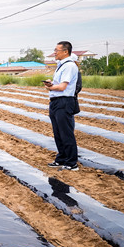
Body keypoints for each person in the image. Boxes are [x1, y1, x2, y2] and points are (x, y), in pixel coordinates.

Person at [44, 41, 79, 171]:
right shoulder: (61, 65)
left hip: (64, 101)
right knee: (58, 133)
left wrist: (51, 87)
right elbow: (60, 84)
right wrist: (51, 84)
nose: (55, 52)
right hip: (56, 101)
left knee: (66, 133)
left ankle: (71, 163)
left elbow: (63, 86)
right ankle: (61, 158)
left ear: (65, 51)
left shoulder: (69, 66)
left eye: (57, 50)